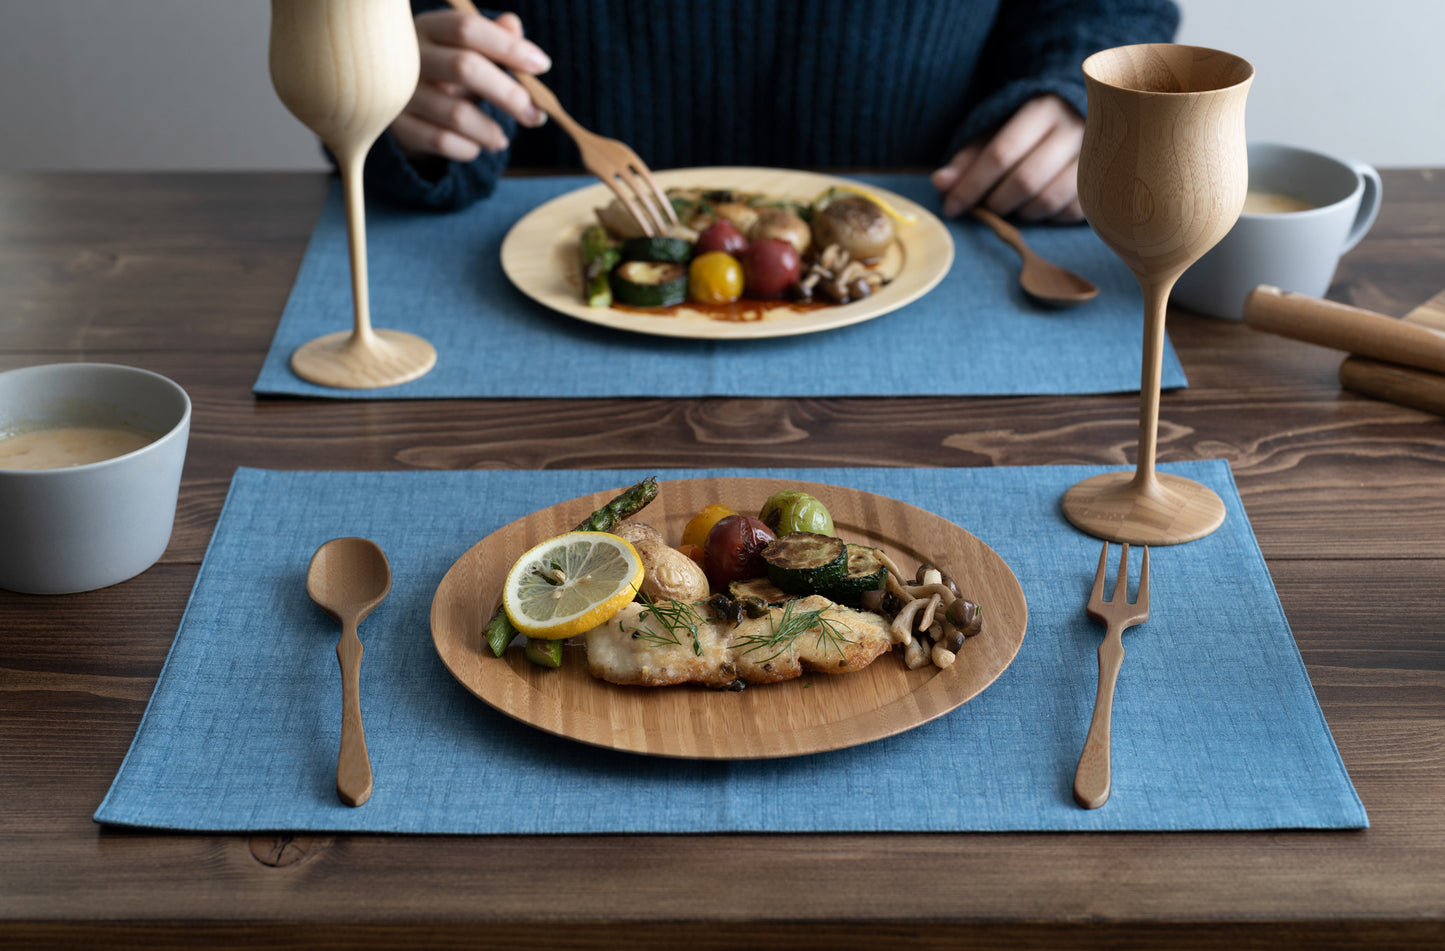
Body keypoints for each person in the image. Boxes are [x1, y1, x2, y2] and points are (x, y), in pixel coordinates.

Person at [361, 1, 1180, 222]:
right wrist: (389, 76)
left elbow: (1108, 6)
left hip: (948, 251)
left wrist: (1075, 96)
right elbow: (401, 20)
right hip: (521, 315)